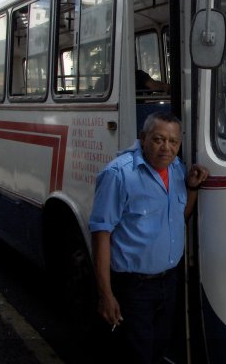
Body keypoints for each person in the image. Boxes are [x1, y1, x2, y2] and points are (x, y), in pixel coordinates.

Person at [88, 111, 209, 363]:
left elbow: (178, 217)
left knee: (158, 350)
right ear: (143, 138)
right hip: (134, 288)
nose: (166, 148)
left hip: (168, 283)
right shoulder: (118, 175)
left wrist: (192, 189)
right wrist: (105, 295)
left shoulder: (176, 169)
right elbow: (101, 235)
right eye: (158, 139)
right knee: (136, 355)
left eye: (173, 141)